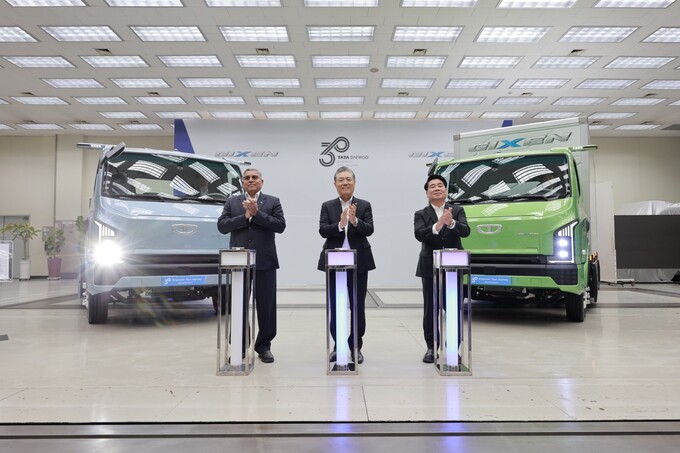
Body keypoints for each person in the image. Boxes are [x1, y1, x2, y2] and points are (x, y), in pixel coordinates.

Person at [217, 168, 286, 363]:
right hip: (239, 263)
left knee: (266, 306)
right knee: (238, 305)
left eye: (255, 177)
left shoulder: (272, 201)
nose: (251, 180)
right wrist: (245, 217)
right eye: (247, 178)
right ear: (242, 182)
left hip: (265, 261)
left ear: (262, 182)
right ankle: (238, 347)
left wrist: (257, 214)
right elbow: (222, 226)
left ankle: (264, 346)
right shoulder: (232, 202)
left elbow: (280, 225)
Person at [317, 167, 375, 364]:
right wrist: (341, 224)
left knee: (358, 307)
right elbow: (323, 230)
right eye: (341, 180)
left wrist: (354, 220)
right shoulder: (327, 206)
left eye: (348, 179)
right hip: (335, 264)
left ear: (354, 183)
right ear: (335, 184)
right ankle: (338, 345)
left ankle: (356, 346)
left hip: (359, 263)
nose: (345, 183)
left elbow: (370, 229)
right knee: (336, 306)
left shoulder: (364, 205)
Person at [414, 174, 470, 364]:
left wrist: (451, 223)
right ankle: (431, 347)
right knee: (430, 309)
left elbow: (466, 231)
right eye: (432, 186)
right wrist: (437, 226)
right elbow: (419, 234)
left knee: (453, 308)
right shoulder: (421, 214)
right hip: (429, 267)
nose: (436, 188)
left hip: (453, 267)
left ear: (446, 190)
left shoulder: (457, 210)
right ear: (427, 193)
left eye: (440, 185)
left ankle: (453, 347)